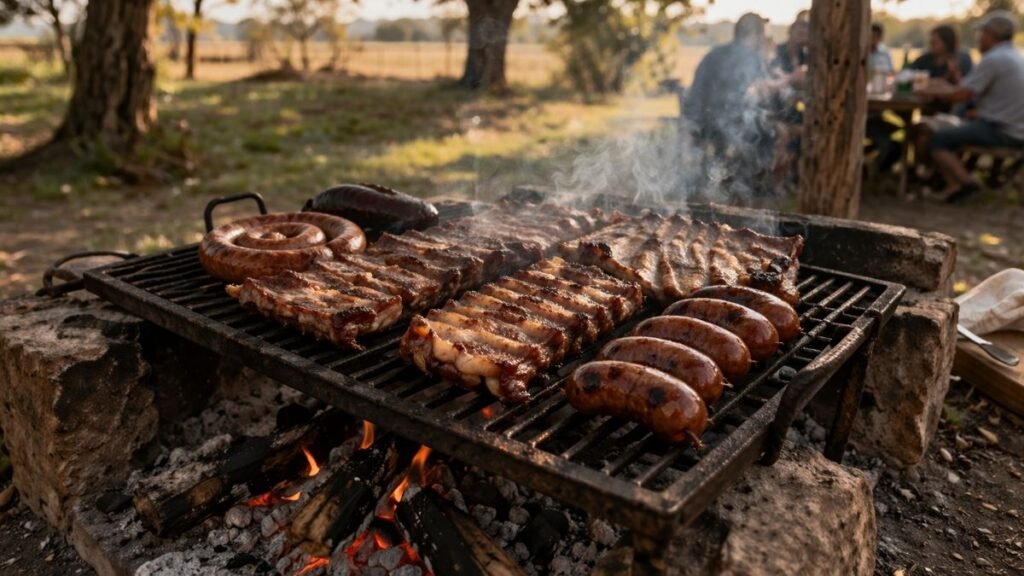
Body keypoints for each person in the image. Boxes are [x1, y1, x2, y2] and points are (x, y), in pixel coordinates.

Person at [684, 13, 803, 197]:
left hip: (699, 123)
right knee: (781, 132)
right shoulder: (748, 56)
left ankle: (742, 180)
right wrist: (791, 79)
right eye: (764, 33)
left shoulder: (715, 53)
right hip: (727, 126)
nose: (766, 38)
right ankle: (767, 186)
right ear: (755, 34)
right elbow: (764, 89)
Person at [919, 10, 1024, 202]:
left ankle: (965, 184)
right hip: (1014, 127)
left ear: (990, 34)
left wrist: (929, 91)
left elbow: (961, 95)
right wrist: (946, 85)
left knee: (937, 139)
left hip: (1002, 130)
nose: (978, 38)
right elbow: (968, 87)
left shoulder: (994, 59)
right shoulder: (1014, 55)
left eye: (981, 33)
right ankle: (948, 181)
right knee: (934, 126)